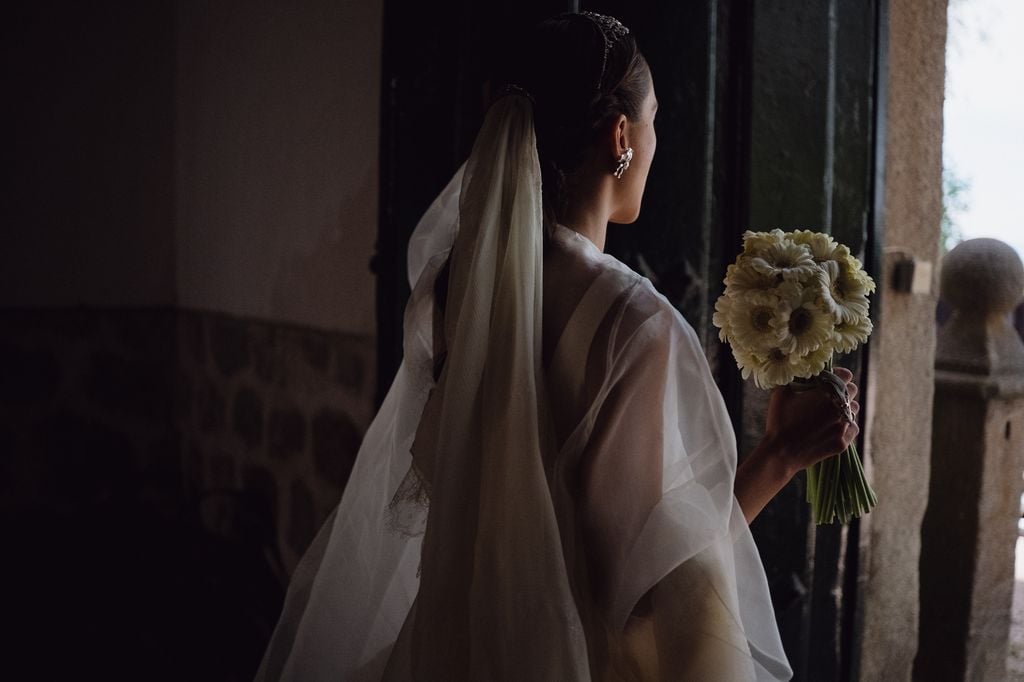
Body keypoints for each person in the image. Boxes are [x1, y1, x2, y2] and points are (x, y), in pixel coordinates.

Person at [255, 11, 860, 682]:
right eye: (653, 120)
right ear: (621, 135)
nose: (656, 141)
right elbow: (654, 600)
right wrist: (779, 456)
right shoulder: (637, 323)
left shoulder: (456, 289)